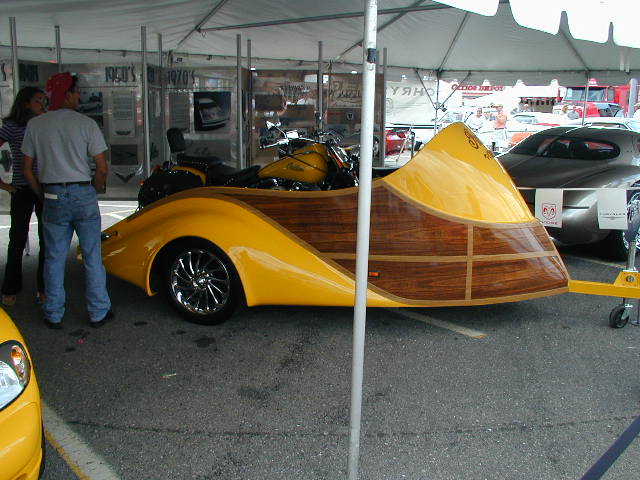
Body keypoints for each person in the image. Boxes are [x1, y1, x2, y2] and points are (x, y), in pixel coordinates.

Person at [22, 72, 113, 329]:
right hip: (82, 191)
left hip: (52, 193)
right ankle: (98, 312)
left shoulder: (36, 125)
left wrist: (42, 194)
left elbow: (27, 169)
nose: (79, 97)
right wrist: (94, 188)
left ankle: (53, 313)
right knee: (92, 256)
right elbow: (101, 168)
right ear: (68, 94)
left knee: (54, 257)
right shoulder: (86, 124)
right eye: (77, 93)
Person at [0, 87, 47, 307]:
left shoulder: (45, 123)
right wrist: (5, 186)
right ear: (26, 102)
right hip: (22, 188)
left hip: (45, 186)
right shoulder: (12, 126)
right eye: (38, 100)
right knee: (17, 239)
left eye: (44, 101)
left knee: (47, 240)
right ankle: (10, 287)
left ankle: (43, 288)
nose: (42, 105)